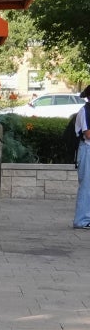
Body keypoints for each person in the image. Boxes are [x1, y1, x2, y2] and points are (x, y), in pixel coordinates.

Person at [70, 85, 90, 229]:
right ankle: (82, 220)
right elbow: (87, 133)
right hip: (87, 149)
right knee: (86, 186)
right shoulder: (85, 111)